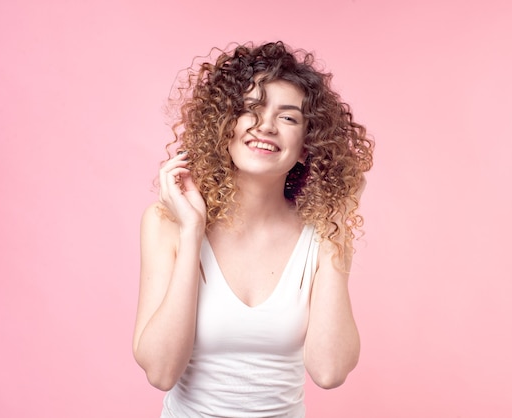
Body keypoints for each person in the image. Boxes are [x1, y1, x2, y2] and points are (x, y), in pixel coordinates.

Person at [133, 41, 374, 418]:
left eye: (289, 118)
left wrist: (337, 224)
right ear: (223, 124)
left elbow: (329, 371)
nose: (265, 126)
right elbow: (161, 372)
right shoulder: (166, 223)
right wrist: (193, 230)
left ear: (307, 147)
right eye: (251, 109)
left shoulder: (322, 232)